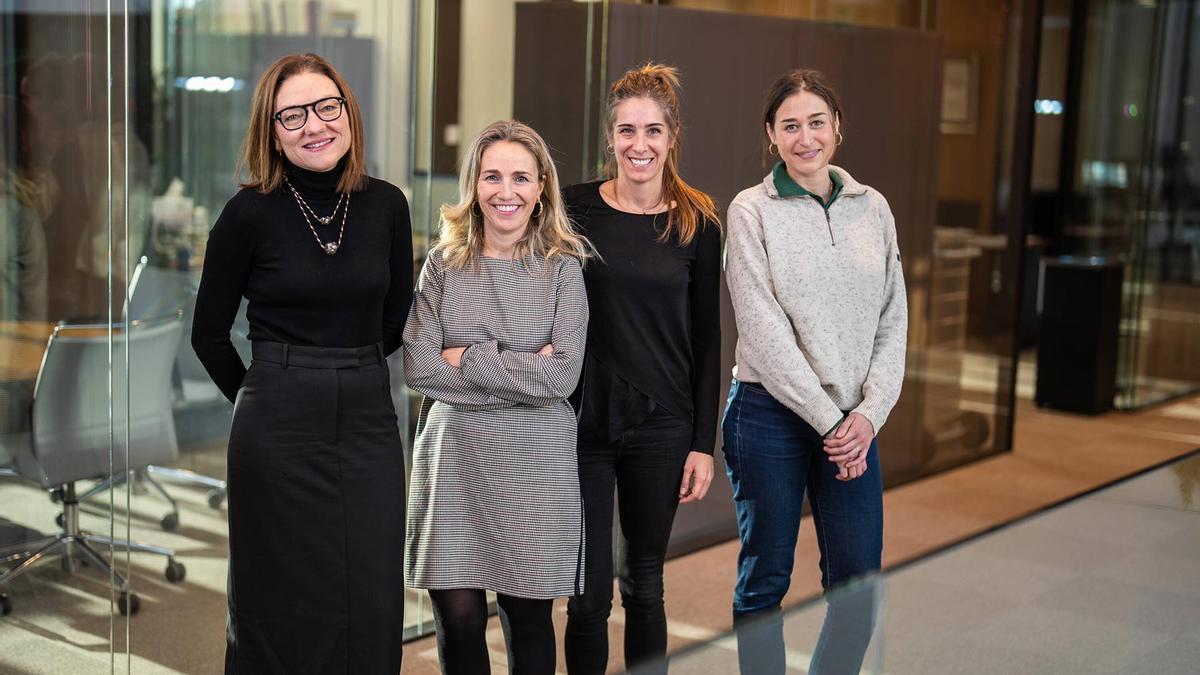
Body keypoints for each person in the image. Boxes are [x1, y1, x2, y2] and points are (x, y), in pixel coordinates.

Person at [192, 53, 412, 674]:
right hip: (277, 420)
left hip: (368, 417)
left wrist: (350, 372)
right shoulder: (247, 214)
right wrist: (263, 396)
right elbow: (208, 334)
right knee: (279, 594)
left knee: (369, 589)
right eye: (292, 115)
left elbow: (396, 317)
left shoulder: (386, 205)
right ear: (271, 130)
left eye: (326, 107)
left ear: (347, 112)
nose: (314, 125)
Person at [722, 69, 908, 674]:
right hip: (769, 413)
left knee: (857, 585)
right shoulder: (751, 211)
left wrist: (869, 414)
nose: (806, 138)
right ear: (771, 135)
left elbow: (893, 319)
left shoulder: (872, 207)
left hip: (854, 423)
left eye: (817, 122)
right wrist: (832, 422)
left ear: (837, 128)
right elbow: (763, 333)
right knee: (765, 583)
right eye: (791, 125)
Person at [403, 119, 590, 675]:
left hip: (534, 466)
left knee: (527, 617)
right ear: (473, 185)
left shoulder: (563, 268)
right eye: (492, 177)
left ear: (540, 190)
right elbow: (418, 366)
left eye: (520, 178)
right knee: (457, 621)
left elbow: (562, 381)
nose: (505, 192)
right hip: (454, 461)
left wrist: (470, 358)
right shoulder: (442, 264)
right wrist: (524, 367)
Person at [562, 63, 723, 675]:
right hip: (583, 420)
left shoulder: (697, 221)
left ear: (672, 135)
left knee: (645, 584)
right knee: (586, 594)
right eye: (627, 131)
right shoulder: (574, 208)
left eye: (652, 131)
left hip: (662, 425)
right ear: (610, 137)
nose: (639, 145)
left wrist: (702, 443)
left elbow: (709, 338)